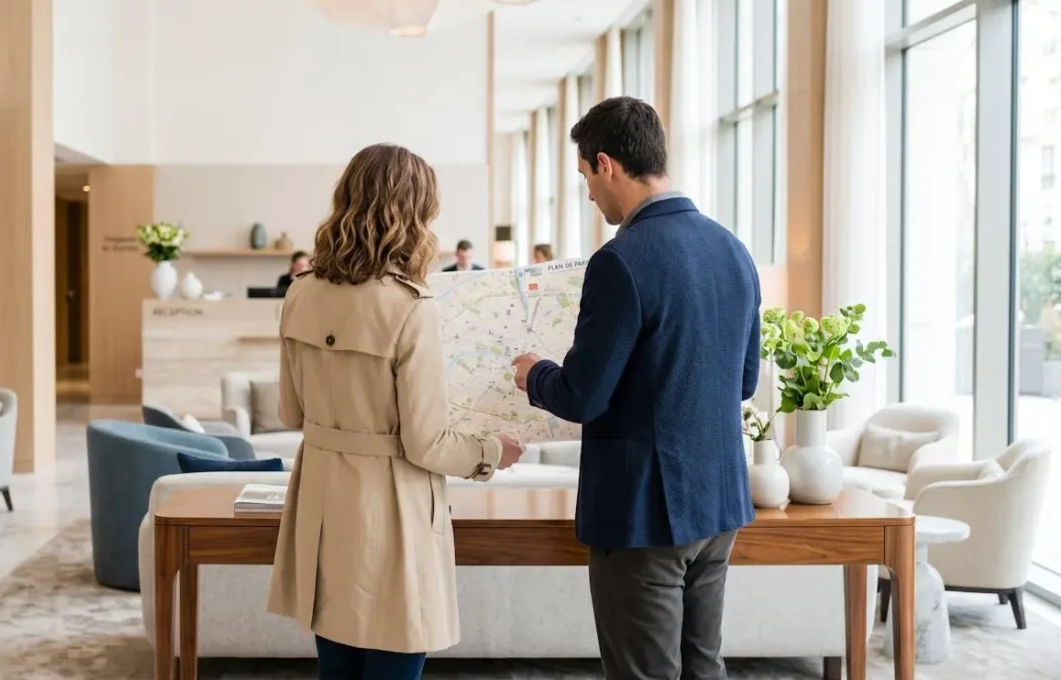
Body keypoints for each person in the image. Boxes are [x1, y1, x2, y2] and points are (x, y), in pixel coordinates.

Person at [510, 97, 760, 680]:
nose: (591, 195)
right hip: (719, 503)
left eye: (586, 179)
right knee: (704, 667)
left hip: (645, 514)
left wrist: (533, 373)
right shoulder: (733, 250)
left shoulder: (621, 260)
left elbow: (581, 396)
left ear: (606, 164)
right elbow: (743, 382)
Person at [266, 143, 525, 680]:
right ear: (414, 214)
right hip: (392, 511)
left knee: (337, 664)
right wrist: (493, 452)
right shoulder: (411, 307)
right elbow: (426, 442)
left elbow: (290, 412)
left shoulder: (300, 293)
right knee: (396, 654)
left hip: (319, 503)